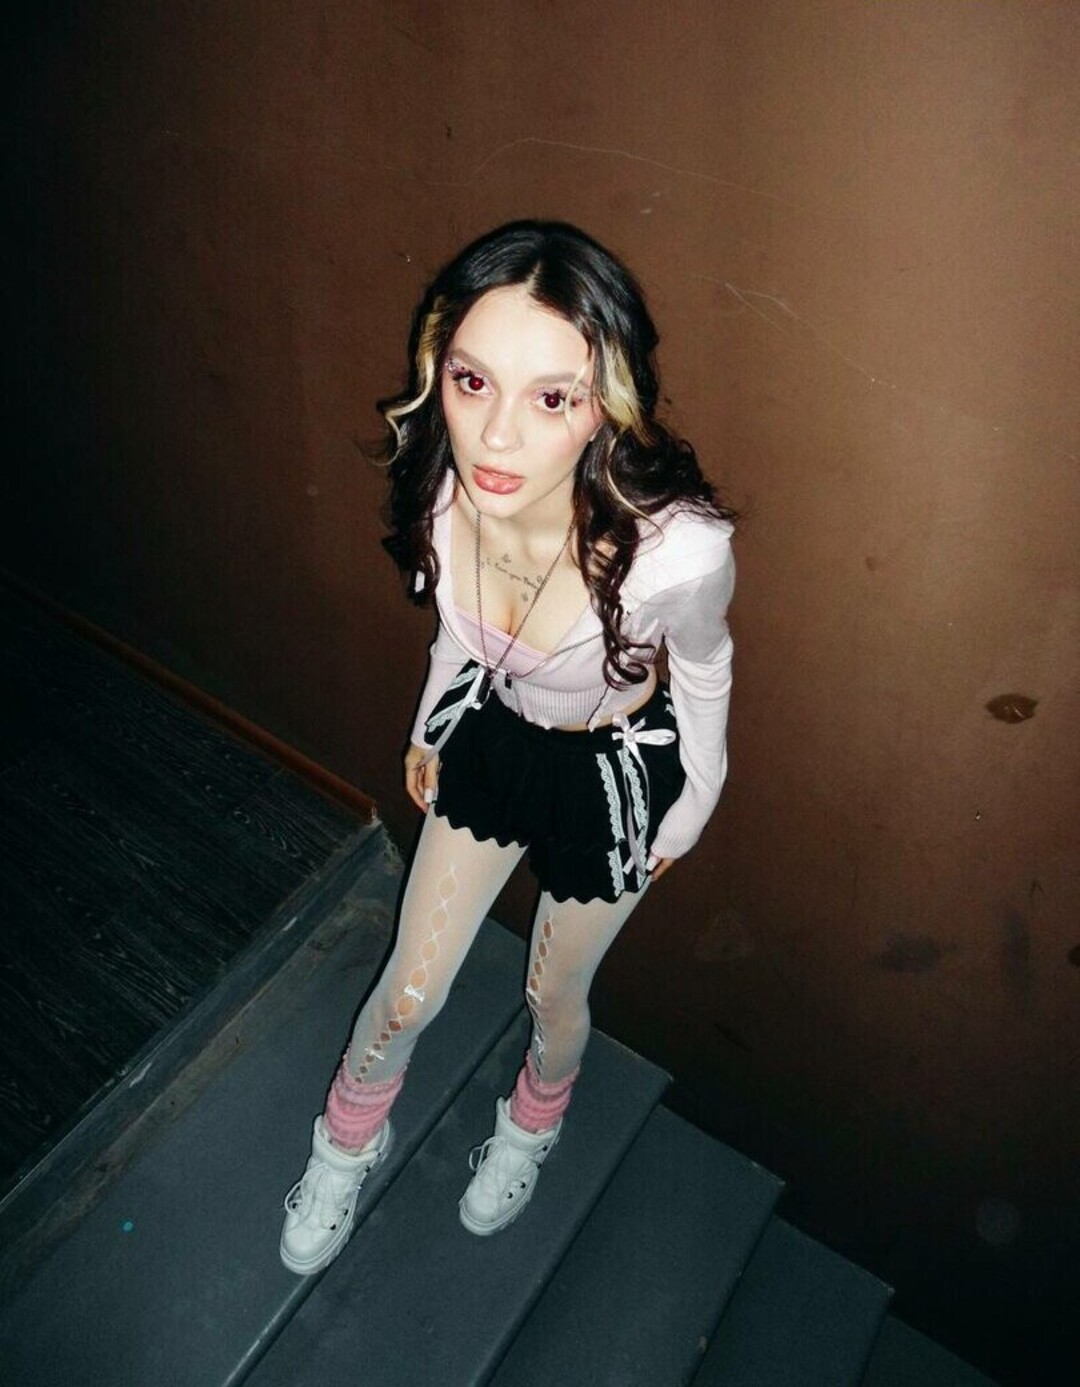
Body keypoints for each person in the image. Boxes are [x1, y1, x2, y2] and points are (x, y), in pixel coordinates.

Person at [279, 219, 736, 1275]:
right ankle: (346, 1137)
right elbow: (459, 634)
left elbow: (707, 668)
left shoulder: (678, 551)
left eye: (552, 398)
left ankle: (534, 1118)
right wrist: (431, 721)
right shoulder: (447, 491)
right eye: (473, 381)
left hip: (614, 772)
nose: (495, 436)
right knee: (409, 987)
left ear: (606, 403)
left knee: (552, 995)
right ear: (438, 366)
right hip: (496, 735)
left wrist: (693, 805)